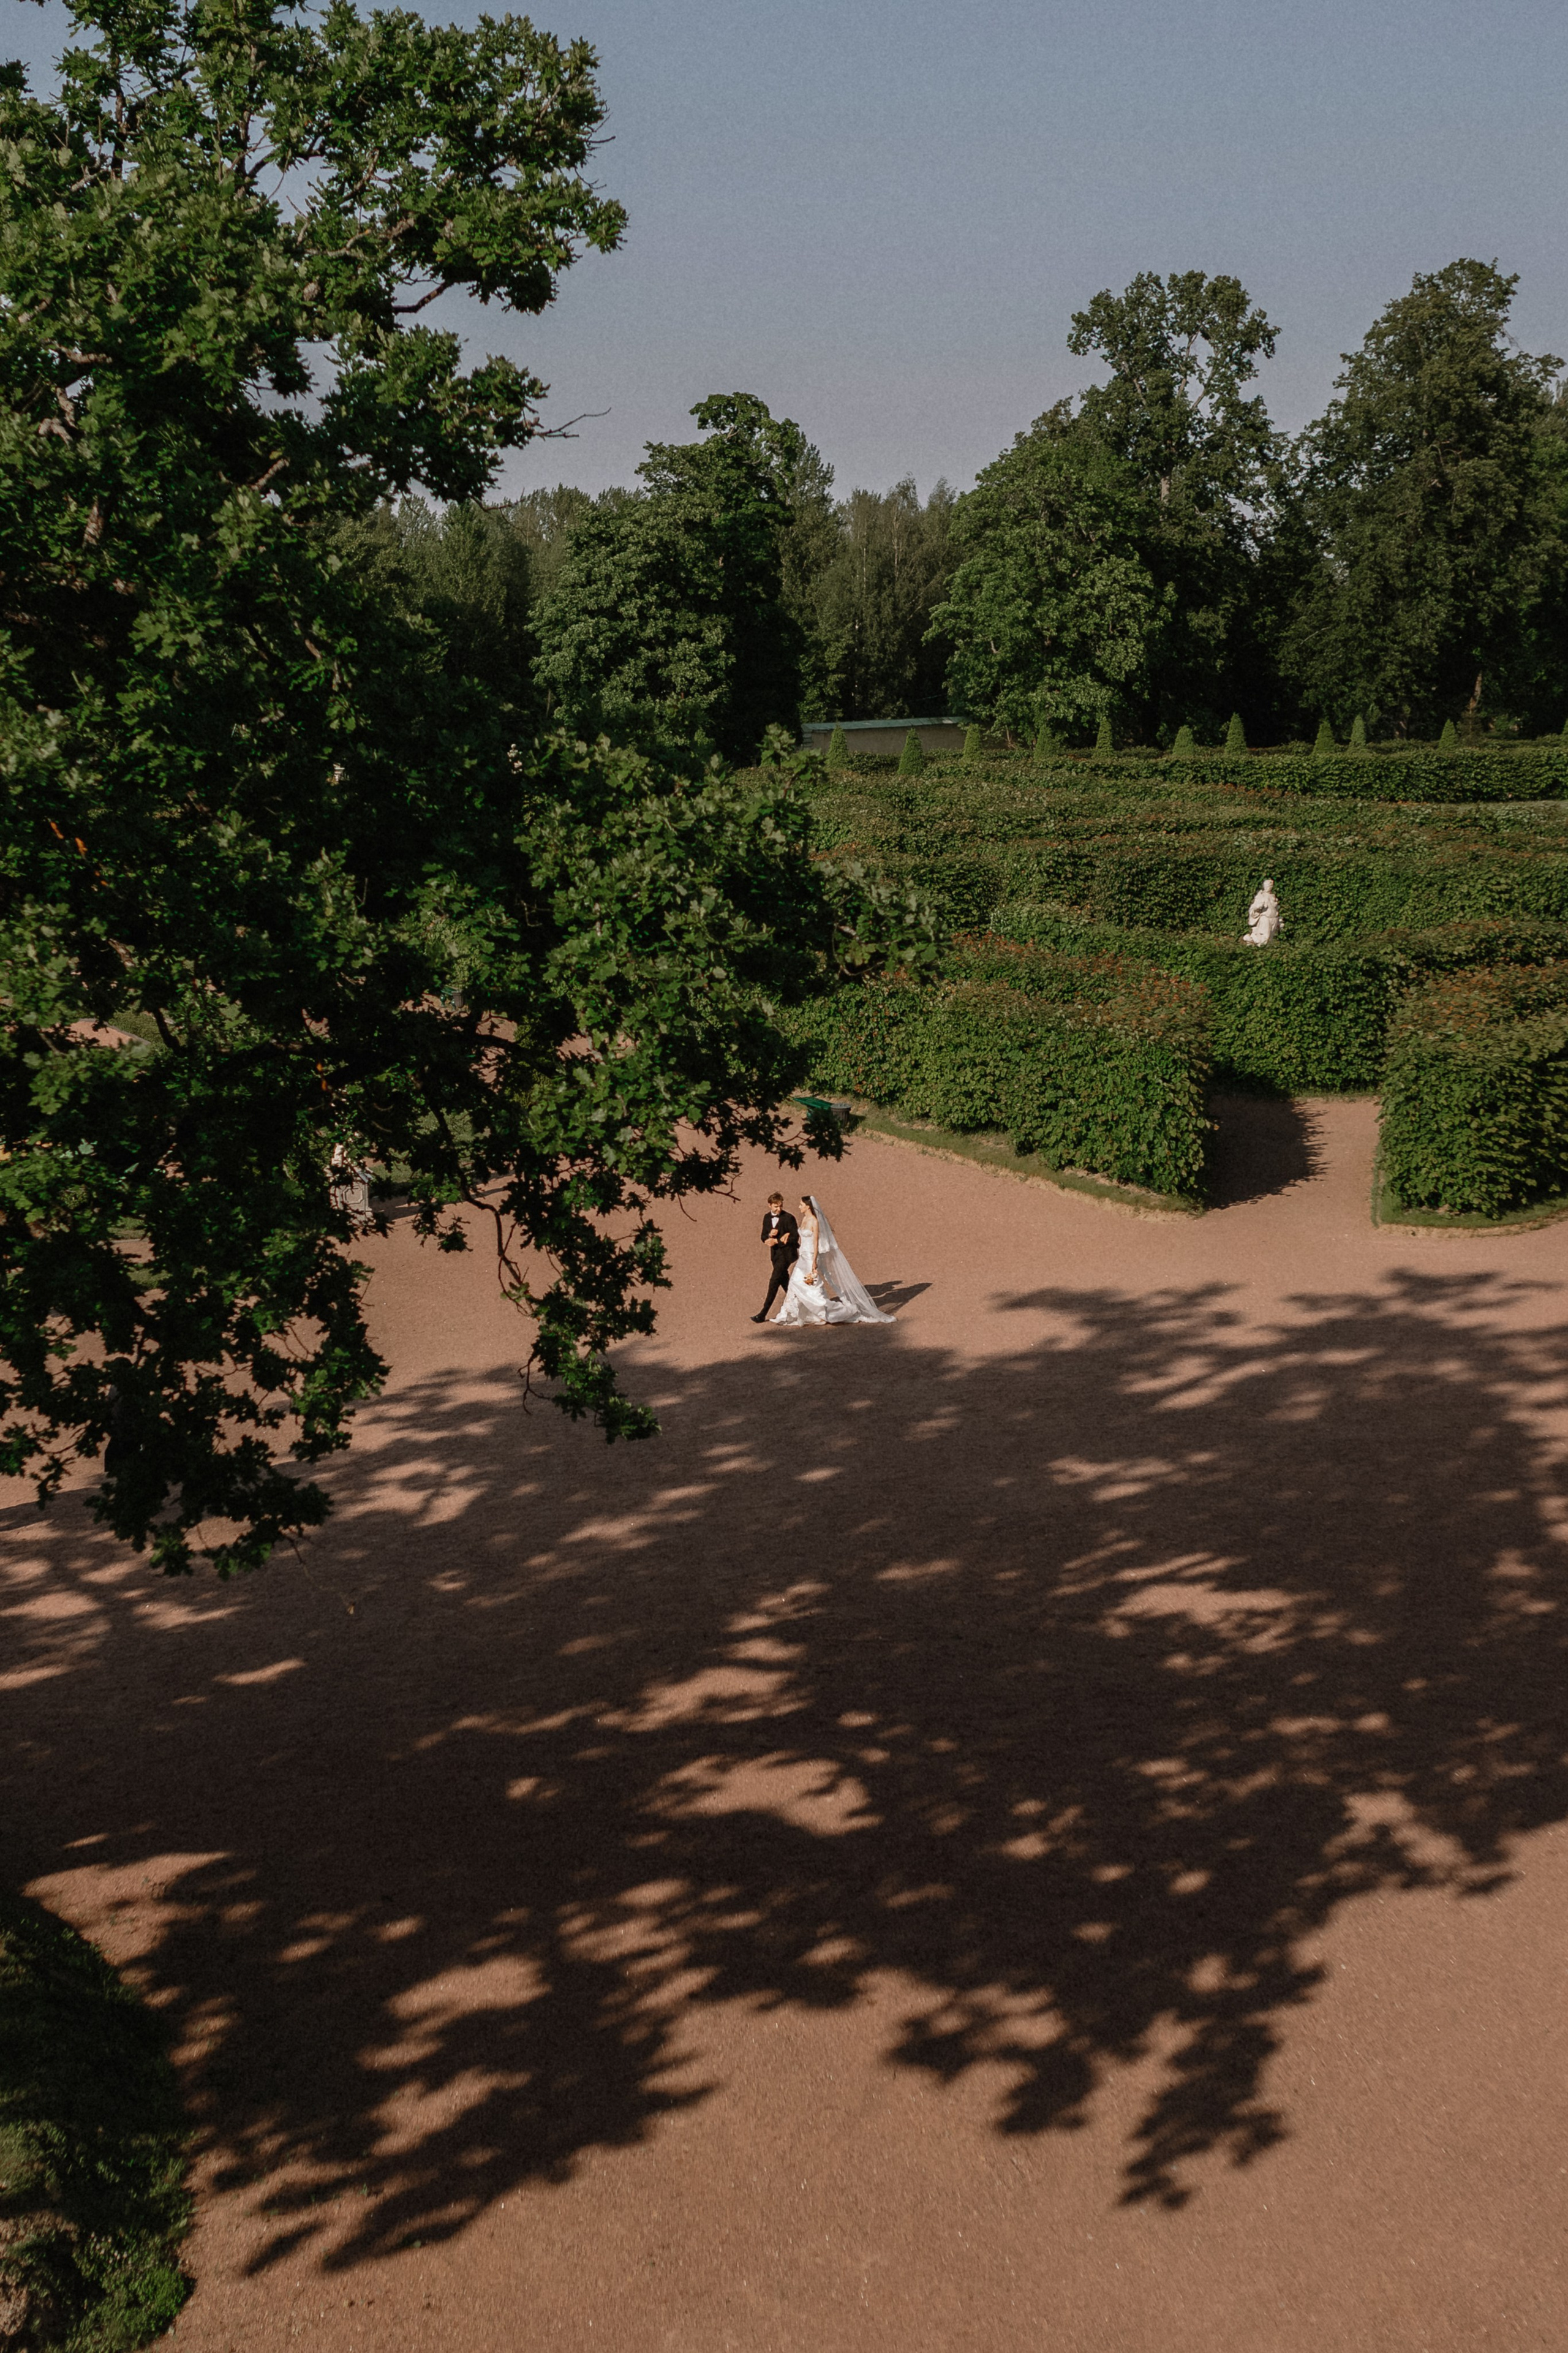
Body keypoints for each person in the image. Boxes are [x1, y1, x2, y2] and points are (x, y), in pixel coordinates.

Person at [772, 1194, 896, 1326]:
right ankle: (789, 1314)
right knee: (797, 1283)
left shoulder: (814, 1221)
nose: (799, 1207)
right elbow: (801, 1237)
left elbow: (816, 1242)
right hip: (803, 1256)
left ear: (808, 1206)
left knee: (805, 1284)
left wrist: (814, 1261)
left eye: (801, 1205)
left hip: (810, 1257)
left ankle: (830, 1312)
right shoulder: (804, 1219)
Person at [753, 1192, 799, 1323]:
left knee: (774, 1281)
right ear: (770, 1205)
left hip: (787, 1255)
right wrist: (769, 1236)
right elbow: (763, 1237)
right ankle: (802, 1305)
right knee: (785, 1283)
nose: (778, 1209)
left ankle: (763, 1313)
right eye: (776, 1206)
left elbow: (795, 1237)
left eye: (780, 1206)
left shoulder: (789, 1218)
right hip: (775, 1256)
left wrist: (777, 1241)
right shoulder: (767, 1218)